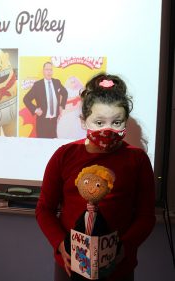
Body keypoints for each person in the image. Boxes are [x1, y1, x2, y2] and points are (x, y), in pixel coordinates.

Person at [35, 73, 156, 281]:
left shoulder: (137, 160)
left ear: (125, 121)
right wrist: (61, 243)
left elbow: (146, 216)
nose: (108, 130)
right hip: (71, 267)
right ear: (83, 122)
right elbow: (44, 210)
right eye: (99, 122)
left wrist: (123, 248)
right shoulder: (64, 155)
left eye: (117, 122)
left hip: (119, 268)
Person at [23, 62, 68, 138]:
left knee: (53, 146)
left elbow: (65, 93)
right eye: (47, 69)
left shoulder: (57, 82)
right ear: (43, 71)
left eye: (50, 70)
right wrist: (35, 110)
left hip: (54, 121)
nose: (49, 72)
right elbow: (26, 99)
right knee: (42, 146)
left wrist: (61, 106)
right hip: (42, 123)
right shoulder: (38, 85)